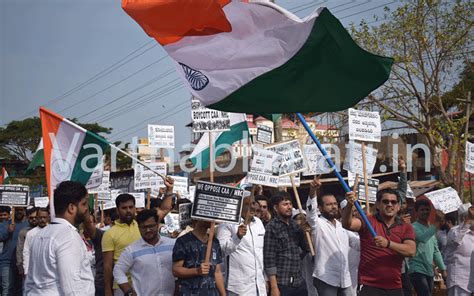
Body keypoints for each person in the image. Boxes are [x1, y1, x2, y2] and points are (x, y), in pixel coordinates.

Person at [103, 176, 174, 296]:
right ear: (117, 209)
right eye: (124, 208)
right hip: (123, 288)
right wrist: (108, 290)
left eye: (131, 207)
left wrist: (170, 189)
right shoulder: (109, 234)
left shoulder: (144, 223)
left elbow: (165, 208)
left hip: (150, 285)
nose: (128, 211)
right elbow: (108, 266)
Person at [24, 181, 94, 295]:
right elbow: (72, 287)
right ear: (71, 207)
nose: (87, 208)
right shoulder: (68, 236)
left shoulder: (39, 235)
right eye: (84, 203)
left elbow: (29, 284)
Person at [341, 188, 416, 296]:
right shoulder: (368, 221)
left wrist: (388, 244)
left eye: (393, 202)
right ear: (377, 205)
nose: (390, 204)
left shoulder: (405, 227)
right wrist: (349, 205)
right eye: (385, 201)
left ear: (398, 207)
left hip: (395, 286)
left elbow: (411, 251)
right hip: (369, 286)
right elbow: (347, 224)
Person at [306, 176, 352, 296]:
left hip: (345, 278)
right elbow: (311, 213)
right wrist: (312, 191)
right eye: (329, 204)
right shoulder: (317, 224)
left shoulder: (343, 226)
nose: (333, 207)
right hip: (326, 278)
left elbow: (357, 243)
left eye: (335, 204)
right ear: (320, 208)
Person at [114, 209, 175, 296]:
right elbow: (118, 271)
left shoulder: (172, 245)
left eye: (151, 226)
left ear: (157, 225)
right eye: (144, 227)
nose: (148, 230)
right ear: (138, 227)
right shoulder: (131, 250)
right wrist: (129, 292)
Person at [216, 197, 266, 296]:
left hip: (259, 287)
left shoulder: (259, 223)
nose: (252, 207)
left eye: (253, 203)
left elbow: (261, 253)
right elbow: (220, 251)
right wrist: (237, 237)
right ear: (239, 205)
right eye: (248, 204)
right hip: (239, 288)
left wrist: (266, 279)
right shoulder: (227, 223)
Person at [264, 191, 310, 296]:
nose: (289, 207)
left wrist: (305, 232)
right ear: (276, 208)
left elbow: (307, 248)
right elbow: (269, 259)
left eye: (290, 204)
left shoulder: (295, 225)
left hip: (299, 281)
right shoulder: (271, 227)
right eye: (285, 204)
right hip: (282, 283)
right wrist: (274, 287)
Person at [172, 219, 226, 296]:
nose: (211, 218)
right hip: (189, 292)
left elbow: (217, 272)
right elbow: (176, 270)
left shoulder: (215, 242)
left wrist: (223, 294)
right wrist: (196, 271)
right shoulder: (183, 241)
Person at [408, 199, 447, 296]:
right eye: (422, 210)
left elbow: (436, 251)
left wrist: (443, 269)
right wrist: (437, 223)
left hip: (429, 270)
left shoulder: (431, 228)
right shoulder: (413, 227)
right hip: (416, 269)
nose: (425, 212)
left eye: (427, 209)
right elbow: (422, 238)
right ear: (416, 212)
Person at [445, 204, 474, 296]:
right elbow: (456, 241)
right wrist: (468, 222)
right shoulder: (454, 231)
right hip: (459, 281)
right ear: (463, 217)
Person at [0, 206, 28, 296]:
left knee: (20, 289)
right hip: (7, 262)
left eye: (21, 210)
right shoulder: (6, 224)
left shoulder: (28, 225)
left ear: (24, 211)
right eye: (17, 210)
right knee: (7, 289)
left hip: (22, 262)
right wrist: (8, 231)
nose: (19, 212)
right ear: (13, 211)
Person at [23, 207, 50, 278]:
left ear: (48, 218)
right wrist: (26, 270)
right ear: (37, 218)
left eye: (44, 217)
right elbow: (26, 252)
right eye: (40, 217)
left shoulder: (52, 232)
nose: (42, 220)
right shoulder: (30, 233)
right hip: (34, 269)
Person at [83, 212, 105, 296]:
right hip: (88, 284)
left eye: (91, 222)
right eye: (87, 223)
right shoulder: (77, 239)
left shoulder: (106, 235)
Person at [16, 207, 37, 278]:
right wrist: (20, 268)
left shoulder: (45, 230)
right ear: (27, 218)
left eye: (36, 217)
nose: (34, 219)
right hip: (27, 267)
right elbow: (19, 250)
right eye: (31, 218)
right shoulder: (23, 232)